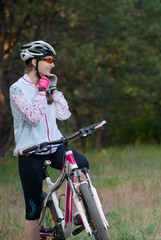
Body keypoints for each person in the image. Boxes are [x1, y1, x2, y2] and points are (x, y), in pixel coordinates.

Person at [9, 40, 89, 240]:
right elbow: (34, 117)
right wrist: (42, 92)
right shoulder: (17, 89)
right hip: (30, 153)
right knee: (32, 211)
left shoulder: (48, 85)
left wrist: (53, 90)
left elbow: (64, 114)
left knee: (82, 163)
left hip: (54, 146)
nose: (53, 64)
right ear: (34, 62)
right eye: (49, 60)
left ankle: (82, 212)